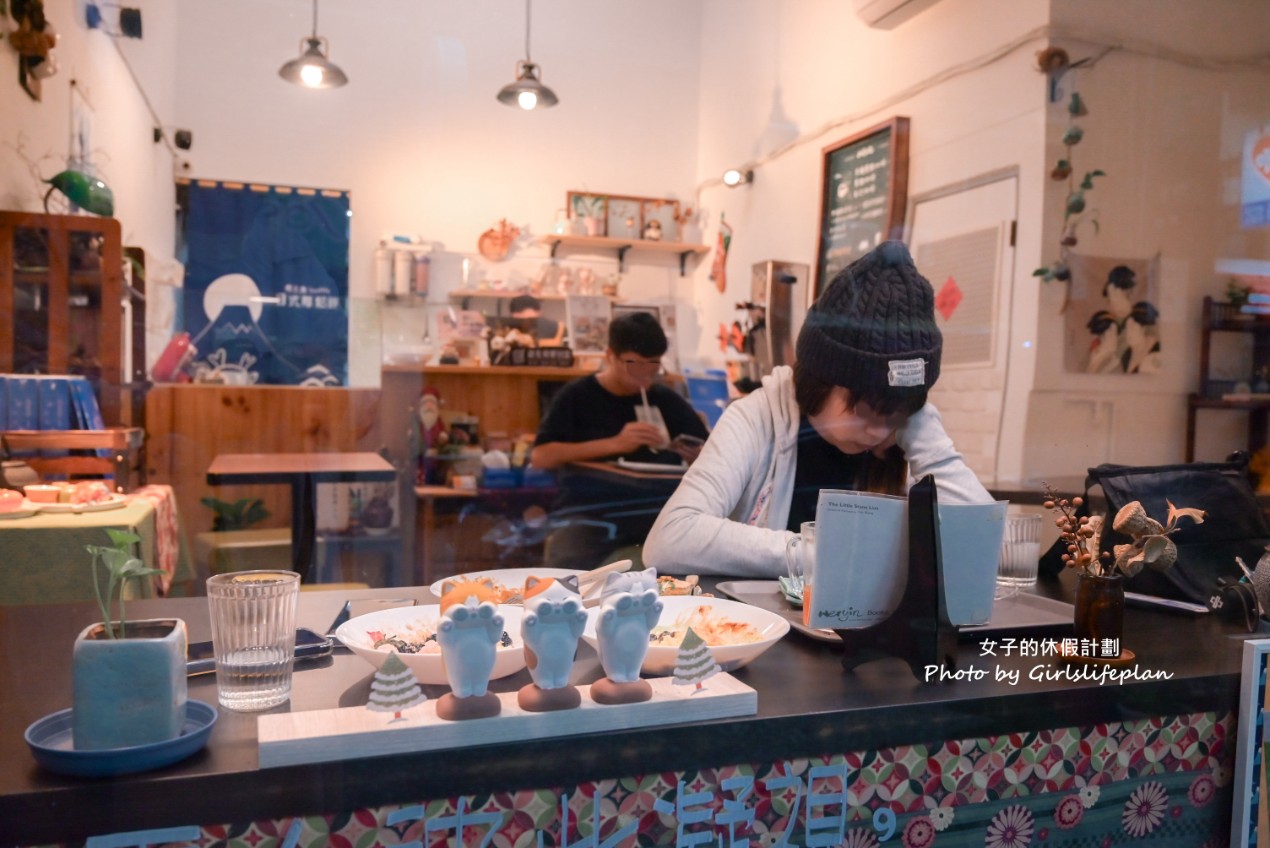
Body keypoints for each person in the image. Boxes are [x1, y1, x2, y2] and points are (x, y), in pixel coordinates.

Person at [643, 240, 991, 578]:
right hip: (764, 631)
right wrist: (825, 552)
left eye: (896, 414)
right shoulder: (755, 418)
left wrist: (922, 429)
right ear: (818, 380)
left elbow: (991, 550)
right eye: (867, 409)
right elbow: (670, 538)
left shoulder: (907, 438)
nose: (879, 431)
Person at [531, 311, 710, 568]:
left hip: (657, 515)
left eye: (653, 368)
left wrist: (698, 456)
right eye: (634, 366)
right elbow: (541, 456)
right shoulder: (577, 396)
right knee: (568, 570)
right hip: (590, 513)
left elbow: (708, 451)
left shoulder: (666, 399)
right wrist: (616, 444)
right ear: (610, 356)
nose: (644, 378)